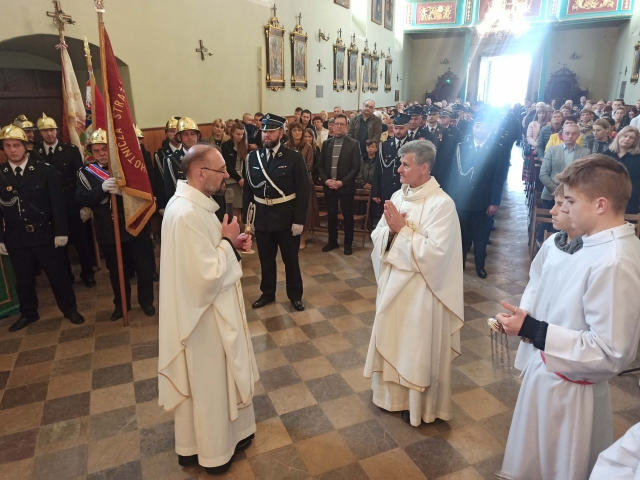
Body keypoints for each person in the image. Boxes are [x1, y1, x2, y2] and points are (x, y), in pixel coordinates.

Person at [496, 155, 640, 480]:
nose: (563, 208)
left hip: (572, 390)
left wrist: (533, 329)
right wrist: (529, 321)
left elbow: (611, 351)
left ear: (600, 204)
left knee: (559, 465)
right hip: (551, 372)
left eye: (571, 201)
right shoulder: (594, 246)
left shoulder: (615, 260)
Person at [158, 144, 257, 476]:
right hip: (202, 319)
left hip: (207, 310)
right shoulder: (186, 213)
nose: (227, 175)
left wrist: (230, 243)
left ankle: (232, 435)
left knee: (216, 379)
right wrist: (227, 242)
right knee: (210, 383)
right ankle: (214, 451)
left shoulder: (192, 205)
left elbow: (204, 254)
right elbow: (205, 277)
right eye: (221, 170)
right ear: (200, 173)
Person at [364, 140, 464, 427]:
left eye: (405, 164)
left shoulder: (441, 205)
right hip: (392, 285)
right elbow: (378, 235)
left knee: (416, 348)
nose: (399, 169)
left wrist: (401, 231)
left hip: (422, 293)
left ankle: (418, 407)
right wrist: (391, 233)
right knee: (392, 338)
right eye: (400, 163)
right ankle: (390, 398)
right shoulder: (398, 195)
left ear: (424, 167)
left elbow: (438, 255)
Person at [0, 124, 84, 331]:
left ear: (26, 146)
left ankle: (70, 309)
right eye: (8, 146)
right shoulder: (1, 174)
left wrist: (61, 232)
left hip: (45, 234)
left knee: (58, 276)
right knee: (24, 280)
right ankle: (29, 313)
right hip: (17, 237)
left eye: (16, 145)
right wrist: (1, 237)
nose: (12, 150)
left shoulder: (44, 171)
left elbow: (57, 204)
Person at [77, 129, 156, 321]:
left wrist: (125, 193)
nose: (101, 154)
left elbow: (144, 191)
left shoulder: (127, 167)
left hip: (134, 224)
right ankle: (121, 305)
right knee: (117, 271)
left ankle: (146, 302)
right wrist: (101, 189)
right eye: (96, 151)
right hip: (108, 229)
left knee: (144, 267)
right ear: (91, 152)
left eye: (105, 149)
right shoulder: (85, 172)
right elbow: (82, 199)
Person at [242, 114, 309, 311]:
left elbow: (304, 191)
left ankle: (295, 295)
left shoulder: (294, 157)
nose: (266, 135)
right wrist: (248, 220)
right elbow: (248, 191)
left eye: (271, 131)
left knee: (291, 260)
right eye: (264, 131)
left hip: (287, 218)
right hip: (262, 217)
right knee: (265, 259)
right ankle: (268, 293)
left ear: (281, 133)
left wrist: (299, 220)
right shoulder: (253, 158)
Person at [32, 113, 96, 288]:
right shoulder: (34, 153)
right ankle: (66, 276)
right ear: (39, 133)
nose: (49, 134)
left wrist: (83, 205)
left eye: (52, 130)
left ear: (57, 131)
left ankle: (88, 273)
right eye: (45, 131)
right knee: (59, 246)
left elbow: (80, 178)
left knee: (82, 242)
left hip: (71, 203)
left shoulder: (70, 150)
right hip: (49, 207)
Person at [448, 115, 509, 278]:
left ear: (489, 129)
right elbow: (454, 175)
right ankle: (459, 265)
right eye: (476, 126)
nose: (479, 130)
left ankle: (480, 266)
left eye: (483, 127)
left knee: (481, 237)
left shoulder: (497, 148)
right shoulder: (462, 147)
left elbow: (499, 178)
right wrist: (452, 198)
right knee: (462, 235)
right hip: (463, 200)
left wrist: (494, 202)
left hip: (484, 201)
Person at [318, 113, 361, 255]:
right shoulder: (326, 144)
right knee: (331, 215)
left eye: (342, 124)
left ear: (347, 126)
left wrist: (341, 182)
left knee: (348, 216)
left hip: (345, 187)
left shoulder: (353, 144)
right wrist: (326, 180)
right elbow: (320, 166)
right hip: (329, 186)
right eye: (336, 124)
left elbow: (356, 167)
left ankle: (348, 244)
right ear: (332, 126)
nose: (339, 126)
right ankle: (332, 241)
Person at [371, 113, 411, 226]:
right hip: (387, 189)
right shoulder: (385, 145)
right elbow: (378, 170)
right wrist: (375, 192)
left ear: (407, 127)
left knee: (404, 220)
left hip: (405, 190)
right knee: (386, 222)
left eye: (401, 128)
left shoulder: (413, 146)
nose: (398, 131)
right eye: (396, 128)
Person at [539, 123, 590, 209]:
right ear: (562, 134)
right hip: (551, 194)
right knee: (548, 217)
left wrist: (571, 192)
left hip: (574, 195)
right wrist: (558, 191)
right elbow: (543, 174)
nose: (570, 136)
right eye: (567, 133)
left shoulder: (585, 152)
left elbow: (585, 176)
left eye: (574, 133)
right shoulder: (552, 150)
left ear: (578, 135)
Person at [285, 123, 315, 250]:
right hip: (289, 184)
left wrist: (296, 175)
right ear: (290, 132)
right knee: (290, 211)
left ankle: (303, 239)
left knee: (305, 211)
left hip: (304, 183)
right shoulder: (286, 146)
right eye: (294, 130)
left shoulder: (308, 147)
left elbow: (309, 166)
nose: (297, 132)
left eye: (299, 130)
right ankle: (291, 237)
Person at [604, 126, 640, 214]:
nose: (627, 139)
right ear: (619, 136)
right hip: (606, 197)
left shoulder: (638, 158)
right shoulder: (605, 155)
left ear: (635, 141)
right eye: (625, 136)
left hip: (630, 200)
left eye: (631, 138)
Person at [220, 122, 248, 220]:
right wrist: (239, 179)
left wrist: (244, 179)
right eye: (237, 134)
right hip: (232, 179)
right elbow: (228, 165)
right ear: (232, 133)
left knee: (245, 207)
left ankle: (244, 227)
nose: (240, 137)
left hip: (244, 179)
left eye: (242, 134)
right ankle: (235, 226)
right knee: (235, 206)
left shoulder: (245, 145)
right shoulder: (226, 145)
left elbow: (246, 165)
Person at [154, 117, 181, 211]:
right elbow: (159, 180)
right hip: (170, 198)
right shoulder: (160, 154)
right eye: (171, 131)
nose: (175, 134)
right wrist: (162, 205)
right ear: (166, 134)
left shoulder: (190, 150)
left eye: (177, 131)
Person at [433, 110, 463, 193]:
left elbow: (457, 148)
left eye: (444, 117)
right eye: (441, 117)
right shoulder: (435, 129)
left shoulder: (456, 131)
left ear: (449, 118)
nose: (442, 119)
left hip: (448, 162)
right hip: (435, 161)